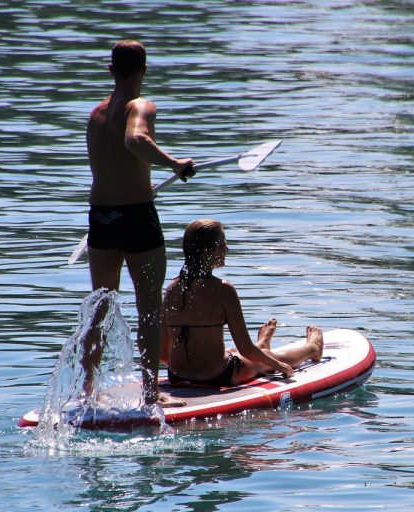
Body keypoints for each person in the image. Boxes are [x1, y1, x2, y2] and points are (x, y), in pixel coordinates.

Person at [83, 40, 195, 405]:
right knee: (149, 308)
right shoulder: (141, 105)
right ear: (145, 70)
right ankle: (151, 395)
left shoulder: (96, 114)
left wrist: (141, 182)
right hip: (135, 218)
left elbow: (113, 166)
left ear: (110, 70)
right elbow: (135, 139)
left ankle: (87, 392)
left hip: (101, 218)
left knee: (100, 307)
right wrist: (175, 164)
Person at [161, 219, 324, 387]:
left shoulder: (171, 289)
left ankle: (261, 345)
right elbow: (246, 349)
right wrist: (278, 366)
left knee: (232, 352)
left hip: (176, 375)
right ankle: (313, 348)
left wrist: (190, 368)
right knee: (266, 360)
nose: (227, 249)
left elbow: (163, 354)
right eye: (223, 244)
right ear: (207, 252)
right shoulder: (224, 290)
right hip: (218, 375)